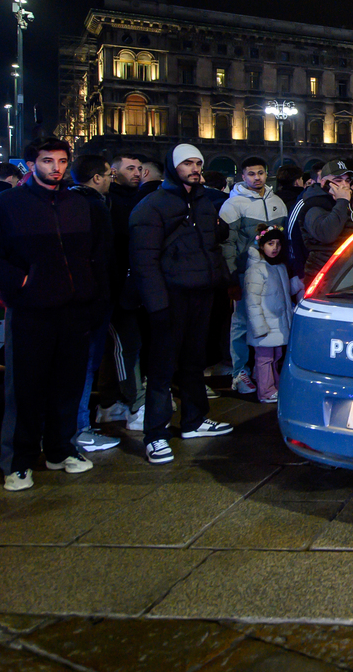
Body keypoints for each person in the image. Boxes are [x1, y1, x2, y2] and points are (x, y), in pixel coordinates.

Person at [0, 138, 111, 491]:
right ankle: (18, 462)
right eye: (47, 161)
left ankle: (61, 450)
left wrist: (93, 298)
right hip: (31, 312)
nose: (55, 168)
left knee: (69, 386)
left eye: (61, 161)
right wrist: (24, 280)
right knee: (26, 389)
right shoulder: (6, 205)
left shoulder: (80, 204)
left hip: (74, 310)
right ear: (32, 164)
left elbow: (98, 257)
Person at [129, 143, 234, 465]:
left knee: (193, 361)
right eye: (187, 163)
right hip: (169, 298)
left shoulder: (202, 201)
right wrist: (157, 305)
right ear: (174, 167)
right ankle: (156, 435)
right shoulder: (152, 206)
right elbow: (144, 261)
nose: (194, 168)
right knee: (162, 369)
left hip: (200, 293)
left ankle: (194, 420)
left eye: (198, 163)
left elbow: (211, 243)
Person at [217, 157, 288, 395]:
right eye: (251, 174)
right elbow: (227, 244)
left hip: (274, 273)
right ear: (242, 176)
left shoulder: (277, 201)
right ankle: (240, 372)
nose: (256, 178)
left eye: (260, 173)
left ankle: (265, 372)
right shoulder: (233, 204)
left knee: (270, 321)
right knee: (242, 322)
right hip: (244, 272)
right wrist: (231, 277)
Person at [66, 154, 121, 453]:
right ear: (97, 177)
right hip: (92, 299)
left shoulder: (62, 202)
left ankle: (67, 427)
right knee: (85, 366)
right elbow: (103, 256)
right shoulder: (95, 206)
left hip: (69, 298)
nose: (111, 180)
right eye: (109, 175)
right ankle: (79, 429)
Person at [99, 153, 146, 431]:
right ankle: (134, 404)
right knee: (125, 346)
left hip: (134, 285)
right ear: (114, 172)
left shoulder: (138, 199)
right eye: (131, 168)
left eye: (140, 168)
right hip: (115, 287)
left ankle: (110, 403)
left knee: (120, 347)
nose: (137, 172)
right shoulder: (108, 202)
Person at [243, 225, 301, 404]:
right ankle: (266, 391)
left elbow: (284, 293)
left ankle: (273, 386)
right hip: (266, 326)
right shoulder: (256, 270)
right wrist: (259, 327)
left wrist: (299, 282)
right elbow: (252, 302)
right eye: (270, 243)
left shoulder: (280, 267)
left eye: (277, 243)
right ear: (261, 246)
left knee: (274, 357)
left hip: (278, 324)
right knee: (264, 358)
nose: (275, 247)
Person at [287, 163, 353, 282]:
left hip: (344, 271)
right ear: (324, 182)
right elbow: (327, 234)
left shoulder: (342, 202)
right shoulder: (314, 205)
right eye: (338, 180)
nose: (344, 185)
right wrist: (342, 201)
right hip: (323, 275)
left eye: (347, 180)